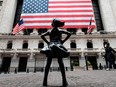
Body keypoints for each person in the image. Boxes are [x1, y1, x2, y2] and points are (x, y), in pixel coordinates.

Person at [40, 19, 71, 87]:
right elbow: (69, 34)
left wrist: (48, 42)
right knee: (60, 62)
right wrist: (63, 41)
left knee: (48, 63)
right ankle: (64, 81)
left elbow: (42, 35)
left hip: (50, 46)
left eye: (52, 23)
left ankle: (44, 81)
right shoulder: (60, 30)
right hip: (58, 45)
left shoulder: (49, 31)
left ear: (54, 24)